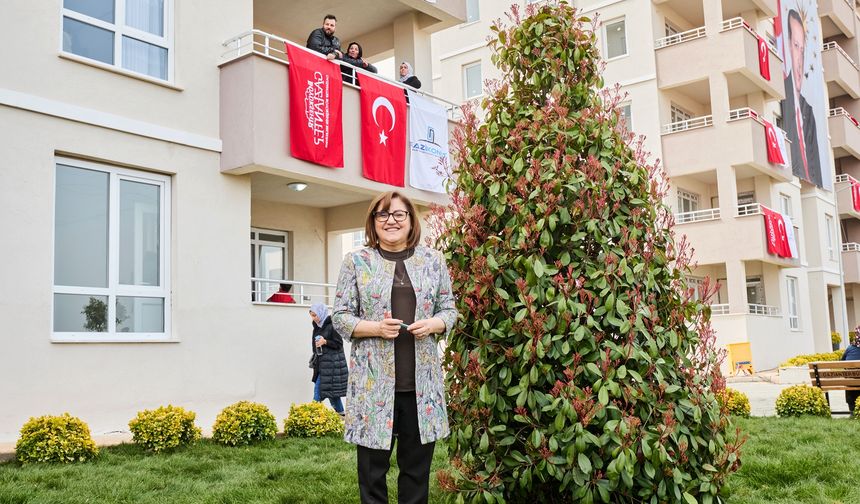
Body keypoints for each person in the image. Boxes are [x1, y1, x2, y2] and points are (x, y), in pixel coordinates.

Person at [332, 191, 457, 504]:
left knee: (416, 474)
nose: (391, 221)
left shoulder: (433, 261)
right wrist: (375, 328)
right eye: (382, 215)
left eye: (399, 214)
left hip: (420, 388)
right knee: (373, 475)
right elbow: (340, 316)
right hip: (373, 387)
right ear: (373, 222)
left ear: (411, 220)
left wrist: (434, 324)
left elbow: (450, 310)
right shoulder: (356, 262)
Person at [782, 8, 821, 186]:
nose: (800, 60)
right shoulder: (782, 94)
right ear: (788, 45)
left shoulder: (808, 111)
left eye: (802, 50)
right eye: (796, 47)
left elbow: (818, 174)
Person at [310, 303, 348, 414]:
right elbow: (314, 346)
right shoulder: (316, 327)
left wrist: (325, 341)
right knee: (332, 394)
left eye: (315, 315)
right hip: (321, 364)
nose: (313, 318)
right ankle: (341, 414)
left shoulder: (332, 325)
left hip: (332, 366)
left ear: (321, 314)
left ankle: (311, 416)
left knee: (318, 392)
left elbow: (339, 344)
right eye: (312, 315)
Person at [842, 327, 860, 415]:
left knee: (850, 380)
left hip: (851, 383)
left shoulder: (849, 348)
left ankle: (852, 411)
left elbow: (841, 362)